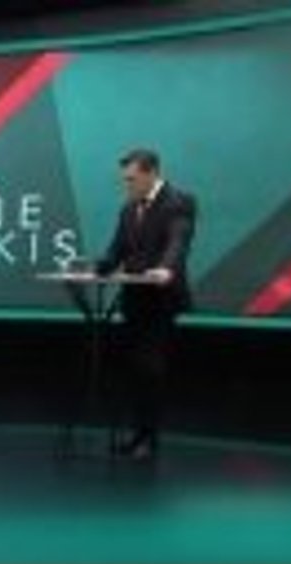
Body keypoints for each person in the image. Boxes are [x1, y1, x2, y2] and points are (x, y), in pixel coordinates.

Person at [96, 149, 196, 461]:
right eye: (125, 179)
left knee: (151, 369)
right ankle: (136, 435)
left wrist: (166, 268)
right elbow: (116, 252)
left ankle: (149, 440)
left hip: (161, 300)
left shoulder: (178, 202)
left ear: (152, 173)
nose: (127, 185)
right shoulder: (128, 209)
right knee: (134, 370)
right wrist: (96, 267)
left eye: (132, 179)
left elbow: (178, 241)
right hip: (134, 300)